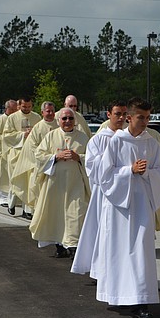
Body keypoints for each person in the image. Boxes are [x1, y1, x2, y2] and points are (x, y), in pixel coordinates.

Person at [96, 98, 160, 318]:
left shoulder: (151, 142)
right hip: (120, 206)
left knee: (141, 251)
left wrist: (147, 173)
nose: (145, 122)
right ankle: (121, 295)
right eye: (141, 117)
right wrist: (129, 170)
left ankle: (142, 300)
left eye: (148, 117)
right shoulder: (116, 141)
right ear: (129, 117)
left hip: (142, 205)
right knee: (120, 251)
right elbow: (104, 175)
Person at [72, 100, 128, 277]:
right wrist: (109, 163)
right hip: (103, 193)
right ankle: (100, 270)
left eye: (124, 114)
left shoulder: (130, 138)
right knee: (102, 231)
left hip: (125, 192)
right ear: (108, 115)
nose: (121, 118)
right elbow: (91, 166)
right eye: (117, 114)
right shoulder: (98, 139)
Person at [29, 108, 91, 257]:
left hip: (75, 185)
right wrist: (55, 157)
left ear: (75, 121)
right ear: (59, 121)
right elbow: (39, 156)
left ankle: (74, 246)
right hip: (55, 185)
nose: (68, 121)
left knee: (75, 213)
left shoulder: (83, 138)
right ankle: (59, 245)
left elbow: (92, 158)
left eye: (70, 118)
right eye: (64, 119)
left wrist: (79, 157)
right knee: (56, 215)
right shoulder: (50, 136)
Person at [9, 101, 58, 219]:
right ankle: (28, 210)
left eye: (52, 111)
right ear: (42, 112)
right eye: (48, 111)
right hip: (37, 163)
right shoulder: (38, 127)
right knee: (30, 187)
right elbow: (32, 147)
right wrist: (44, 158)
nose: (50, 113)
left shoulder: (58, 125)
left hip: (55, 163)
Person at [0, 96, 41, 216]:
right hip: (16, 154)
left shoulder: (36, 117)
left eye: (29, 107)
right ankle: (11, 204)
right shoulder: (12, 118)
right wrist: (23, 135)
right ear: (19, 105)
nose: (27, 109)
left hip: (30, 155)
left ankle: (26, 210)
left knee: (29, 183)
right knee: (16, 181)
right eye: (24, 107)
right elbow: (6, 135)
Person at [0, 99, 18, 206]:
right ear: (7, 108)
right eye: (12, 109)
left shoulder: (16, 119)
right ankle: (2, 198)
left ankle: (13, 199)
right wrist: (7, 139)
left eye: (15, 109)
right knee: (2, 175)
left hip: (14, 151)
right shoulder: (0, 120)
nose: (14, 111)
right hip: (3, 152)